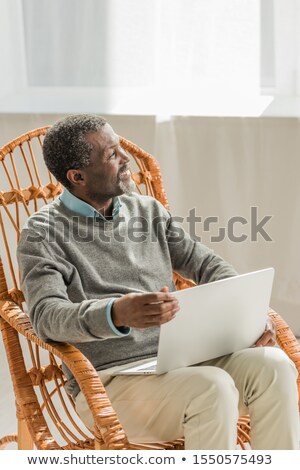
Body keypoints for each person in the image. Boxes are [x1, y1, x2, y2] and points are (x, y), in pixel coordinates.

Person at [17, 114, 300, 450]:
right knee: (212, 388)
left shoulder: (146, 211)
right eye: (111, 155)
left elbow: (204, 262)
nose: (125, 159)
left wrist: (248, 316)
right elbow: (47, 317)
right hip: (110, 384)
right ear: (77, 176)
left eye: (120, 146)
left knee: (275, 367)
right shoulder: (42, 233)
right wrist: (115, 314)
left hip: (182, 361)